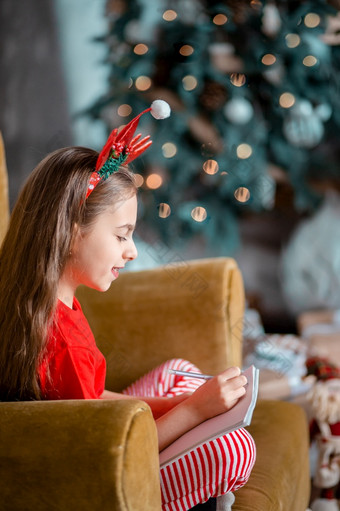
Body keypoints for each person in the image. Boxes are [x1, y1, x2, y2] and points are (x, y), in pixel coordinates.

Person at [0, 101, 256, 511]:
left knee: (179, 371)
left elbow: (91, 395)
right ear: (69, 233)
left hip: (97, 431)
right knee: (233, 449)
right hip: (98, 471)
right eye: (121, 236)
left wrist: (175, 404)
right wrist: (192, 411)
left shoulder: (51, 304)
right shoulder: (62, 343)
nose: (133, 251)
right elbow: (102, 446)